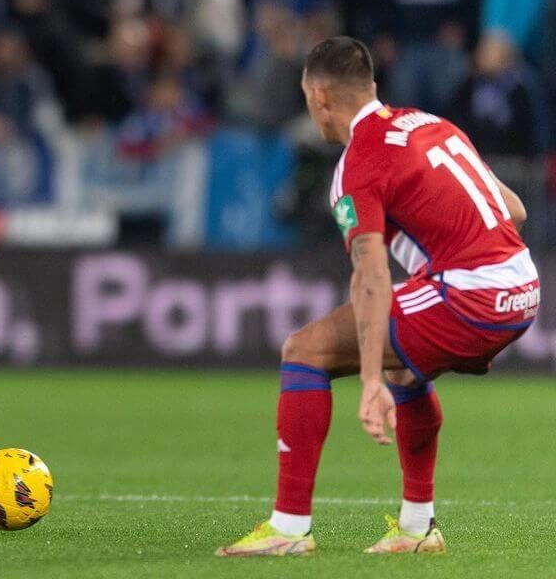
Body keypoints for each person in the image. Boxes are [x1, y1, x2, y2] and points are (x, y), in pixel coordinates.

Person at [216, 37, 538, 556]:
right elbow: (515, 210)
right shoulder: (430, 124)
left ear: (319, 97)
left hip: (473, 295)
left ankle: (288, 528)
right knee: (405, 369)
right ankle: (416, 529)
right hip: (521, 286)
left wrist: (367, 379)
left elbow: (370, 275)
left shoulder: (357, 163)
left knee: (305, 350)